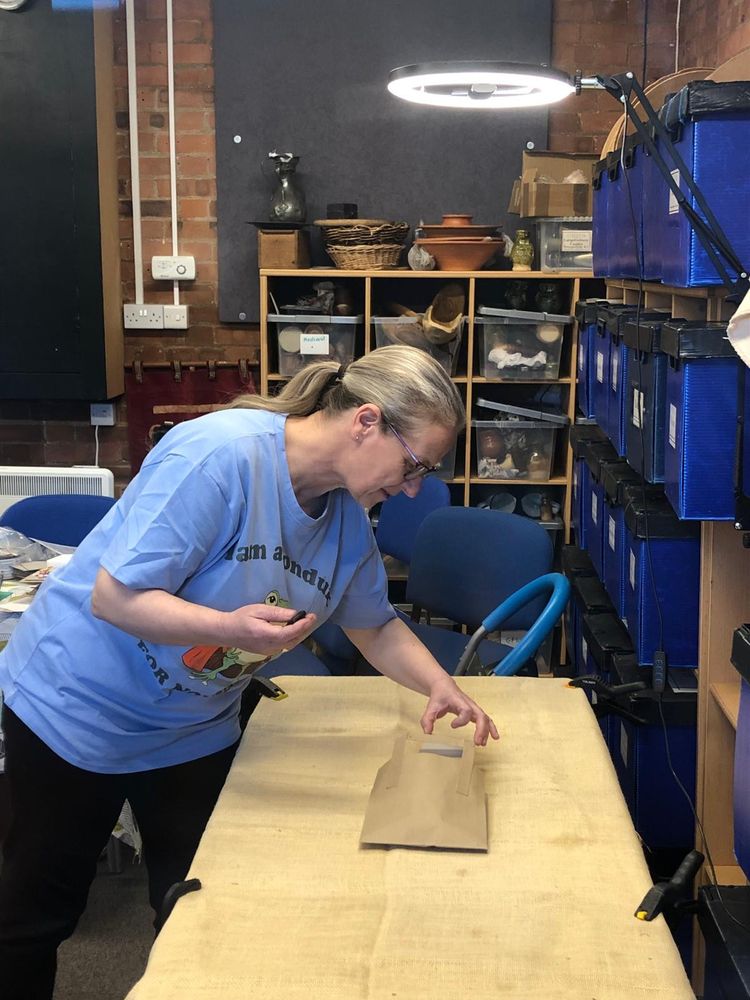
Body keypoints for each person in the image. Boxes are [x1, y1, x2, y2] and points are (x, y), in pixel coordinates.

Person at [0, 344, 499, 999]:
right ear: (366, 421)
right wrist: (226, 628)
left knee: (202, 908)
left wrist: (441, 685)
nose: (411, 489)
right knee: (34, 919)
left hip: (190, 726)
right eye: (414, 466)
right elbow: (113, 597)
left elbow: (373, 623)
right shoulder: (218, 457)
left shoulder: (346, 520)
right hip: (78, 706)